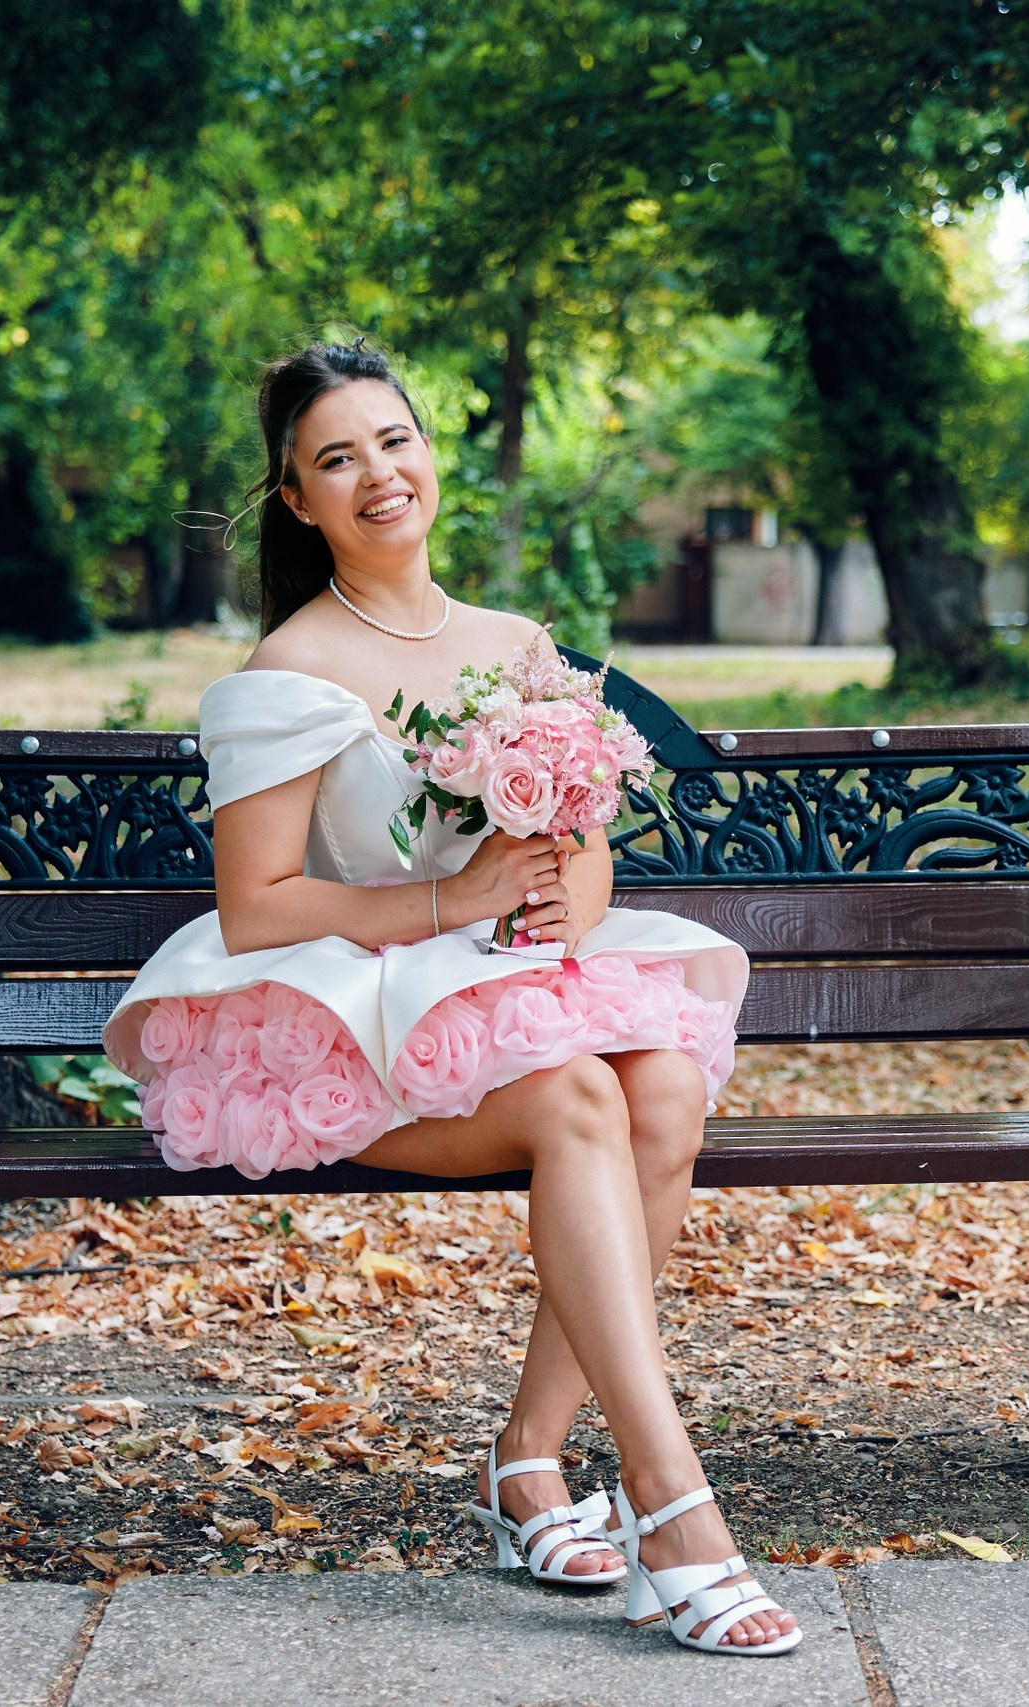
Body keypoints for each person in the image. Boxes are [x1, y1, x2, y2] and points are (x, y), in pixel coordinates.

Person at [101, 338, 799, 1656]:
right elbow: (257, 905)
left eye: (395, 440)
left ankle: (529, 1458)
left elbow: (583, 847)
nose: (379, 474)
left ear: (429, 455)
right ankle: (673, 1504)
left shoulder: (515, 645)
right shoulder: (290, 669)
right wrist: (455, 901)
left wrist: (560, 901)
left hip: (505, 982)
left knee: (661, 1089)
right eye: (337, 459)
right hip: (353, 1005)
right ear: (297, 499)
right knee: (583, 1098)